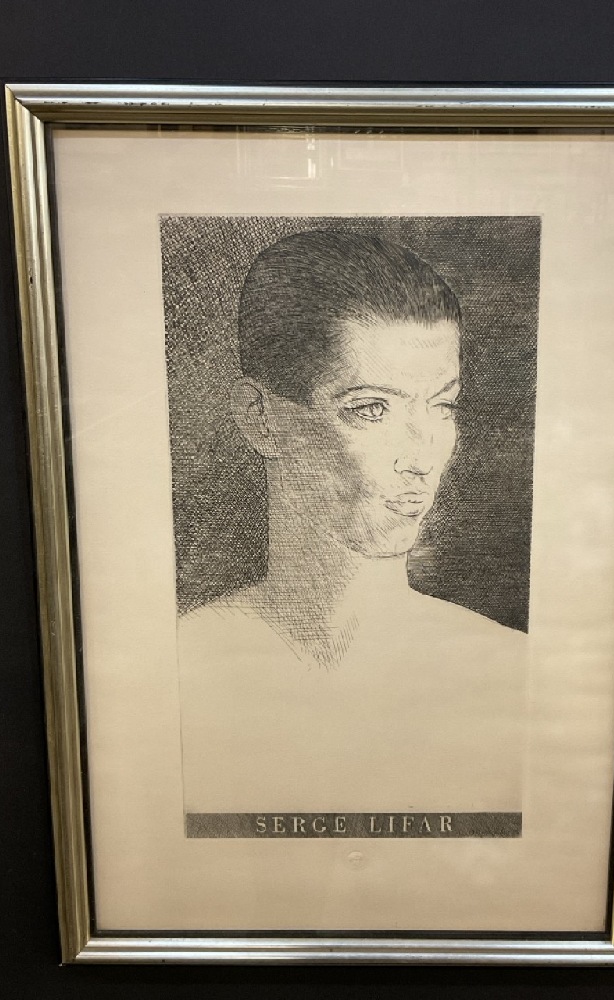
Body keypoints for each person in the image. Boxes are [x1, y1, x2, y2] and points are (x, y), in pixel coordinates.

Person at [177, 230, 525, 823]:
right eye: (371, 409)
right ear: (260, 419)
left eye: (442, 406)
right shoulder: (174, 669)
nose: (422, 455)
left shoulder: (512, 672)